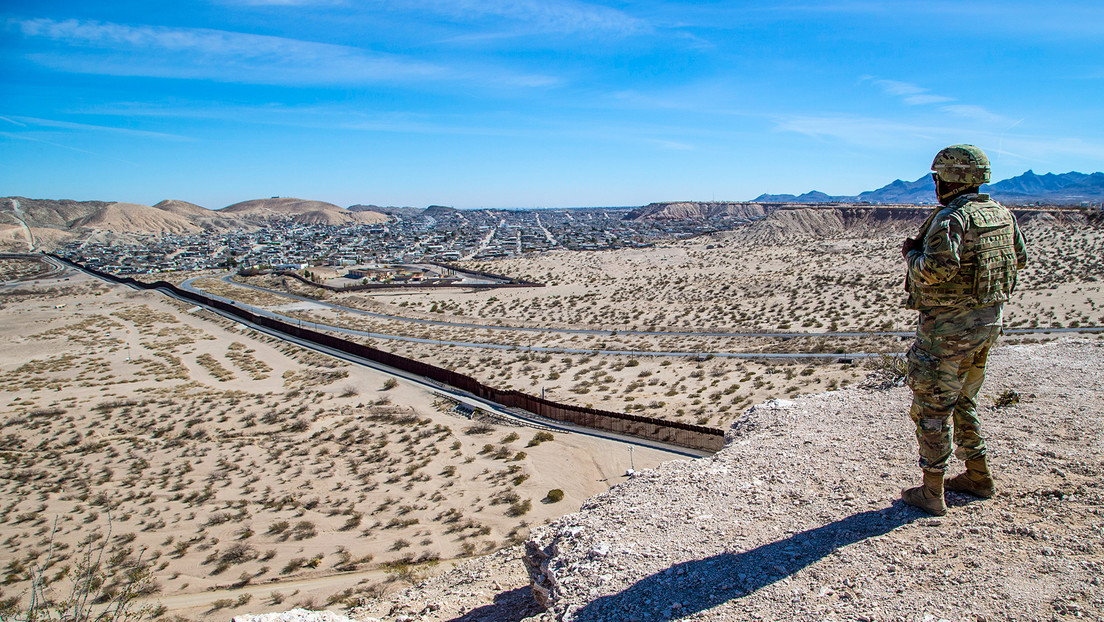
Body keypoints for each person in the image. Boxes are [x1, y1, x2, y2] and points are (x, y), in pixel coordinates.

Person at [899, 144, 1028, 516]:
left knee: (933, 409)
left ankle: (932, 492)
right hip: (987, 326)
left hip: (947, 334)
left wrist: (911, 254)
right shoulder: (1001, 214)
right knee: (964, 401)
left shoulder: (952, 219)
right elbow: (1019, 259)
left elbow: (935, 271)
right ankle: (977, 475)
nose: (935, 183)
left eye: (938, 177)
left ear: (952, 178)